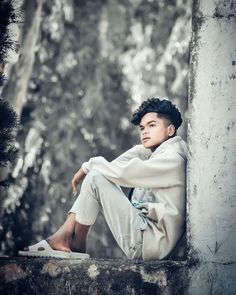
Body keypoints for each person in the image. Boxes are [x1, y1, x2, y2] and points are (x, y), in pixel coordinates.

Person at [19, 97, 187, 260]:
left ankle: (67, 240)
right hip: (147, 237)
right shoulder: (160, 154)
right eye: (142, 128)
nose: (145, 131)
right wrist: (91, 167)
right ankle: (73, 243)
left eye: (152, 125)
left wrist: (88, 166)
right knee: (96, 178)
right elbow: (113, 169)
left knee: (94, 177)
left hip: (150, 244)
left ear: (170, 130)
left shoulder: (172, 159)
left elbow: (121, 174)